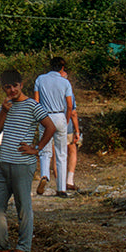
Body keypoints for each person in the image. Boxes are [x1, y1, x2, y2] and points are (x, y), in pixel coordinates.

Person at [0, 68, 55, 252]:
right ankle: (2, 244)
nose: (12, 90)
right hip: (3, 162)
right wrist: (3, 111)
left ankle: (24, 246)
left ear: (21, 85)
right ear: (3, 88)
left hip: (22, 163)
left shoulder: (33, 105)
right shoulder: (6, 106)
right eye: (7, 87)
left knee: (23, 206)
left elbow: (50, 127)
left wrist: (37, 148)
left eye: (15, 86)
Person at [33, 56, 74, 197]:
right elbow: (69, 105)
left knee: (45, 150)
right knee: (61, 153)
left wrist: (38, 118)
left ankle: (45, 175)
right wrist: (66, 119)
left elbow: (36, 102)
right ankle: (61, 188)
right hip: (59, 115)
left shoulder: (40, 79)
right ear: (62, 68)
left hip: (45, 116)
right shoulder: (65, 82)